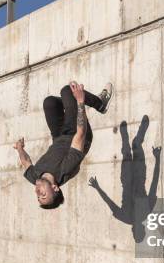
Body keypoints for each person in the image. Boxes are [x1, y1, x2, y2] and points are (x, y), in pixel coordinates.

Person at [14, 81, 113, 209]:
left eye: (38, 197)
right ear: (55, 188)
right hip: (76, 133)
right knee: (68, 91)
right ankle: (100, 104)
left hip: (59, 137)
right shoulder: (65, 170)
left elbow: (25, 161)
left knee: (50, 103)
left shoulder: (34, 178)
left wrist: (20, 148)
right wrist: (80, 102)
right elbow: (81, 134)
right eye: (43, 196)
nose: (38, 193)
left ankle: (70, 102)